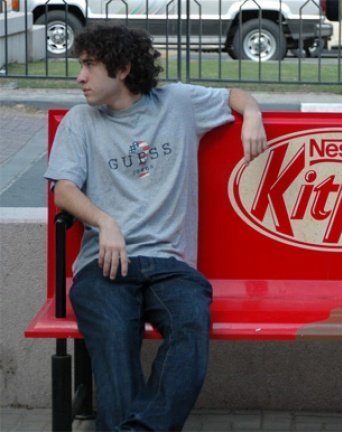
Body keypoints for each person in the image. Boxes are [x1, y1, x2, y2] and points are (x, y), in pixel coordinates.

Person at [44, 24, 267, 431]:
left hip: (170, 264)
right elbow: (64, 190)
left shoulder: (178, 103)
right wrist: (105, 221)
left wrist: (251, 113)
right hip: (105, 264)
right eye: (81, 65)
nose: (80, 76)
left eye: (90, 65)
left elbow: (235, 96)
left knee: (190, 324)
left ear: (124, 68)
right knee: (114, 338)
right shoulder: (80, 122)